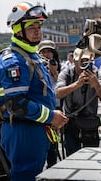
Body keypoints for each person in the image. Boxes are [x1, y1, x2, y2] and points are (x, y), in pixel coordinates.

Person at [0, 2, 68, 180]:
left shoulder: (32, 56)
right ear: (18, 29)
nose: (37, 31)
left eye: (39, 26)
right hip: (23, 132)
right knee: (25, 176)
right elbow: (15, 104)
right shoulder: (14, 60)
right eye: (31, 27)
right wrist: (51, 116)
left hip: (36, 129)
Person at [56, 47, 101, 156]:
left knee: (92, 157)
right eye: (81, 61)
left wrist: (95, 83)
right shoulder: (67, 73)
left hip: (90, 122)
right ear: (74, 61)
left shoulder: (97, 73)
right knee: (72, 157)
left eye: (87, 61)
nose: (84, 64)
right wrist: (77, 84)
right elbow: (58, 93)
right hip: (71, 122)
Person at [38, 39, 62, 168]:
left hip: (55, 110)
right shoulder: (35, 66)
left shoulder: (60, 66)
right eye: (44, 52)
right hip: (40, 110)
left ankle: (52, 167)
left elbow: (59, 88)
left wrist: (54, 71)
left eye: (49, 52)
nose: (47, 55)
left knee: (53, 143)